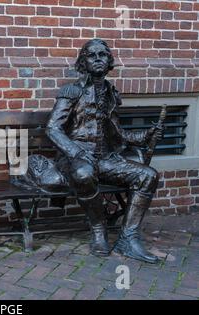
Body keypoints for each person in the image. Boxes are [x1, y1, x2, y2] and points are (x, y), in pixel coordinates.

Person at [46, 38, 164, 263]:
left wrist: (145, 135)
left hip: (104, 158)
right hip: (75, 157)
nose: (99, 59)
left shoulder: (111, 93)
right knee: (84, 173)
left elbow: (117, 134)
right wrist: (77, 153)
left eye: (103, 55)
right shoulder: (72, 91)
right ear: (83, 62)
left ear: (109, 61)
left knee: (148, 176)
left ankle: (128, 238)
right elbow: (53, 128)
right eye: (92, 55)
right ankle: (98, 230)